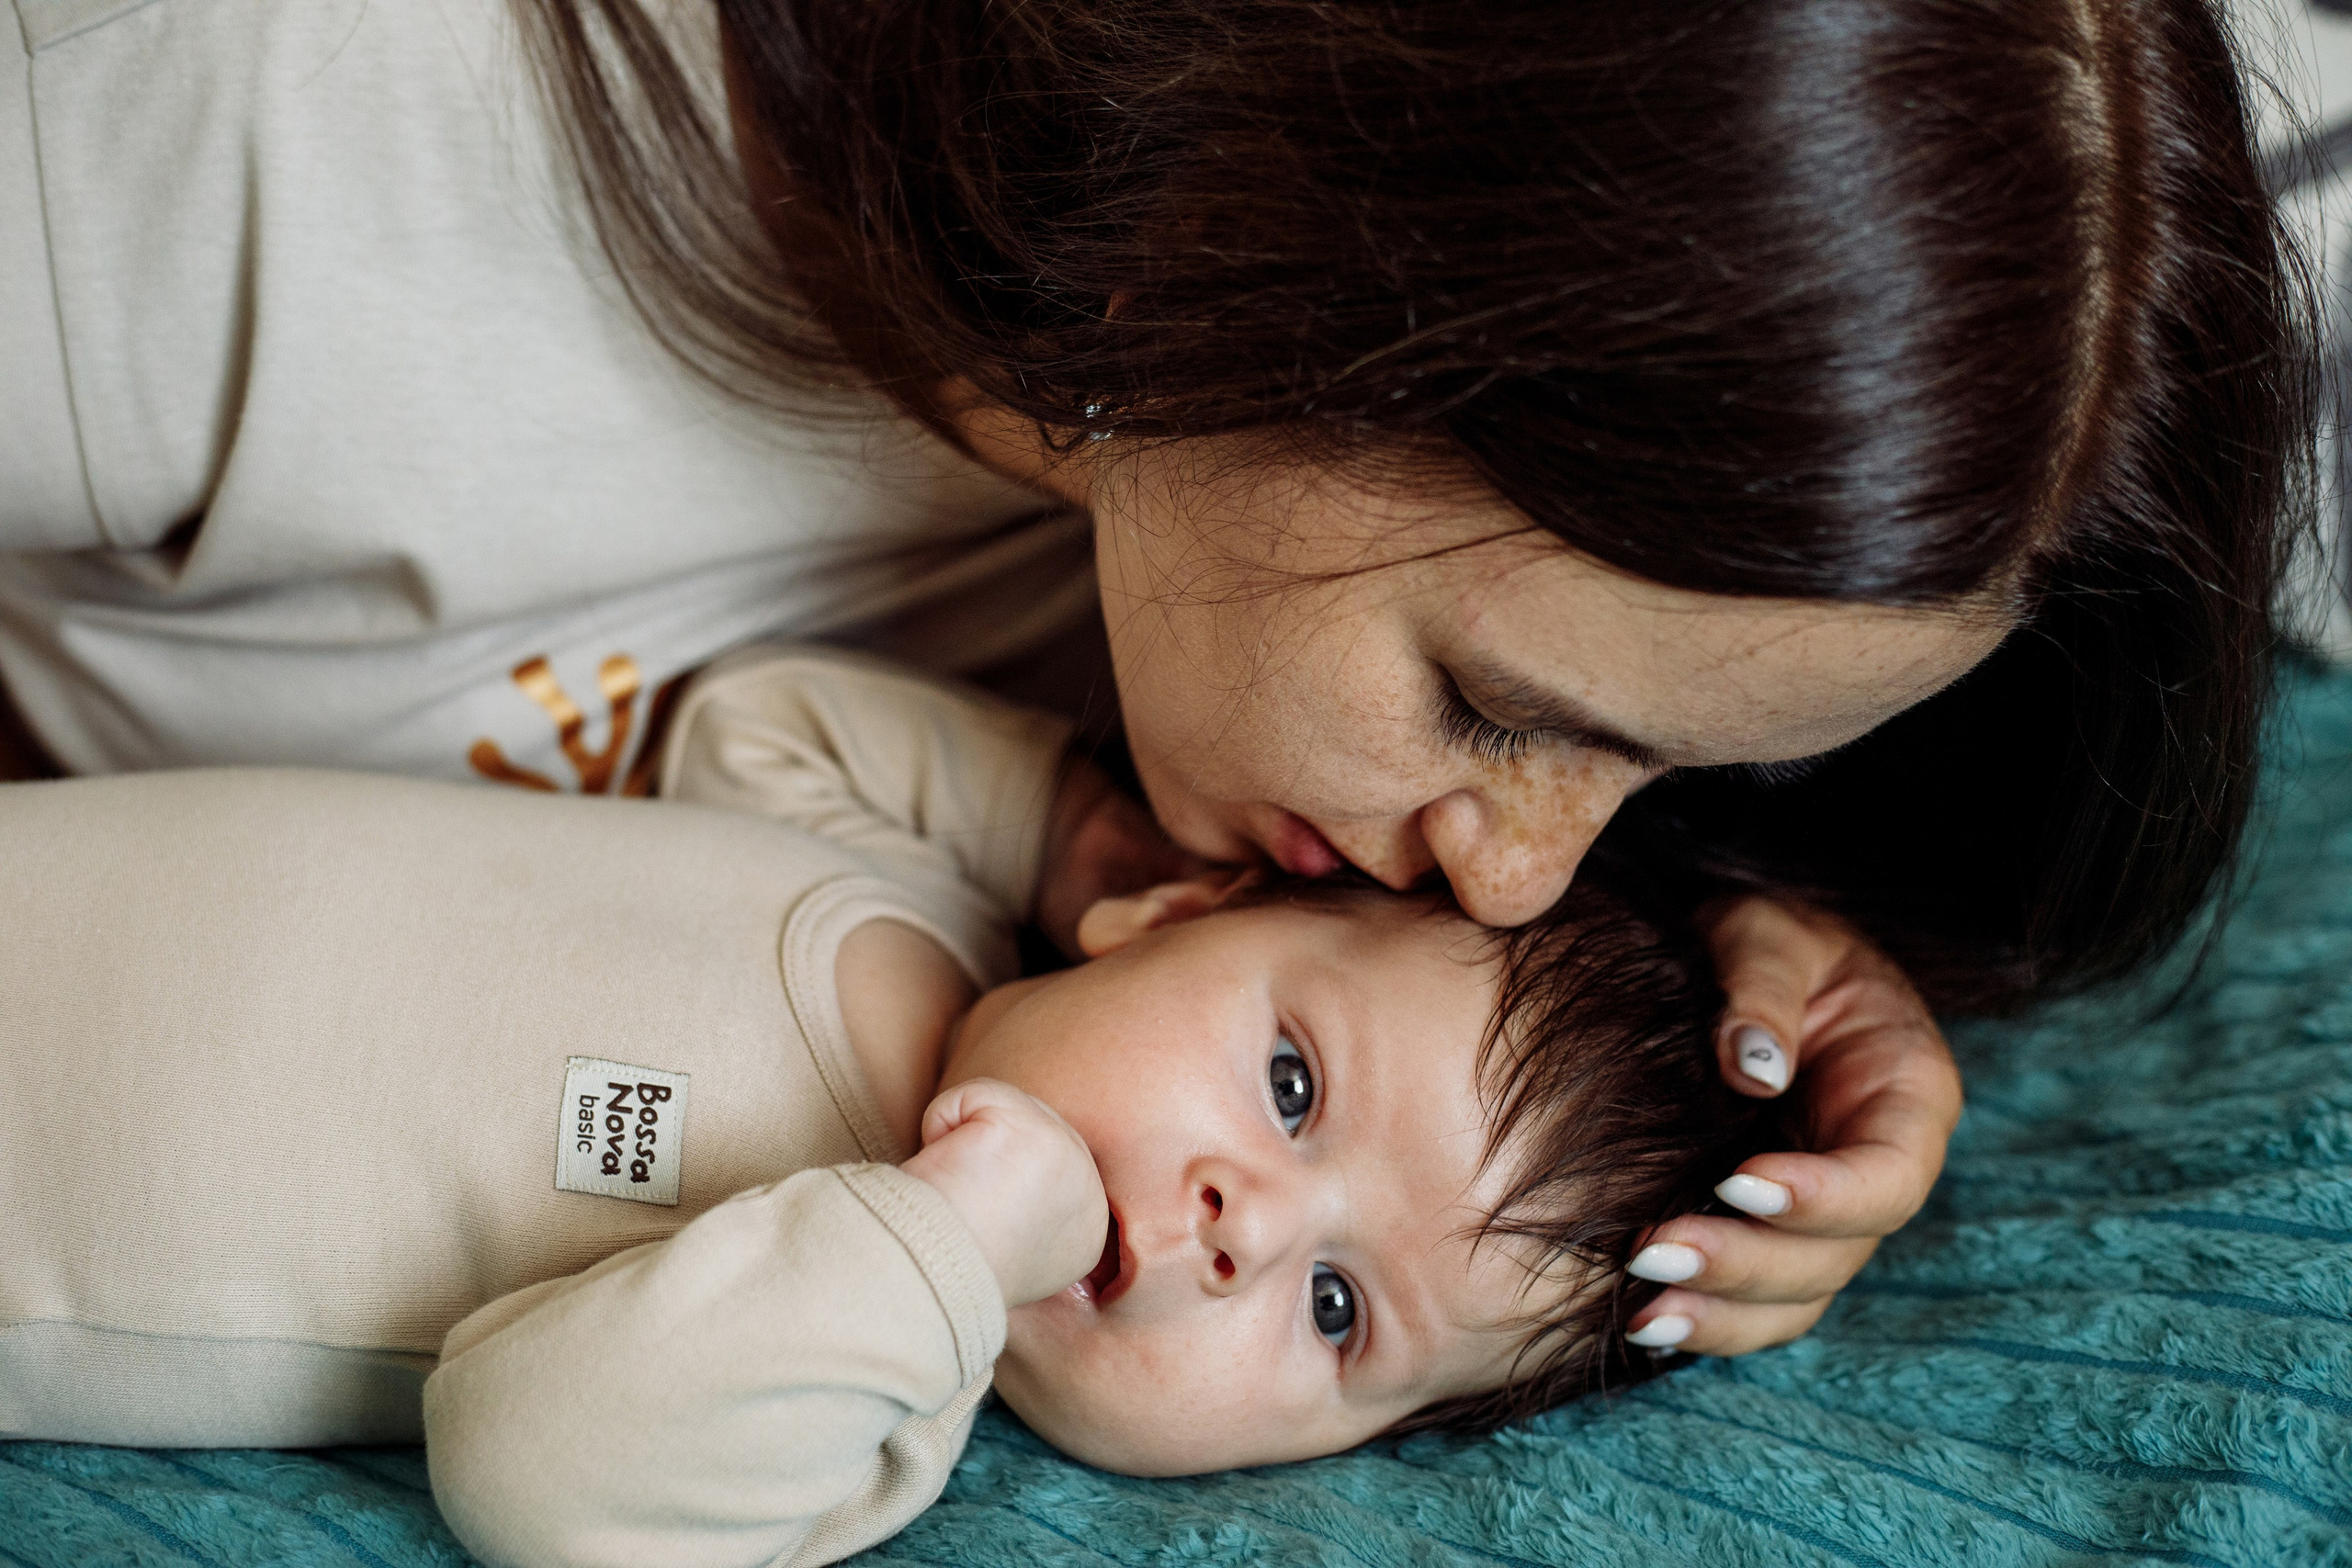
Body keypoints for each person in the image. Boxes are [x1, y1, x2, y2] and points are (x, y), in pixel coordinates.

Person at [0, 0, 2311, 1358]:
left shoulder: (1292, 638)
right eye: (1504, 708)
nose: (1511, 881)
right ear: (1275, 268)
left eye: (1667, 767)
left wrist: (1713, 960)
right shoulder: (271, 150)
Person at [0, 647, 1822, 1568]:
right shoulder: (898, 885)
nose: (1242, 1221)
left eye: (1333, 1310)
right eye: (1288, 1084)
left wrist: (933, 1248)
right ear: (1175, 908)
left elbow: (529, 1453)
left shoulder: (866, 1414)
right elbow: (753, 721)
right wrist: (1056, 824)